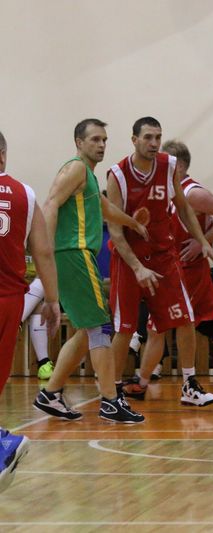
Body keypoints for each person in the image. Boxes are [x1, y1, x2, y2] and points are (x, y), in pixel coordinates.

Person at [123, 140, 213, 400]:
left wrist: (202, 241)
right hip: (176, 267)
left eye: (164, 162)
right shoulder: (169, 192)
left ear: (179, 166)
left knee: (157, 326)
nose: (158, 167)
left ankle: (146, 383)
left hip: (189, 270)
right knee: (205, 324)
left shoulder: (193, 193)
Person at [33, 119, 148, 423]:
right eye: (95, 139)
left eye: (104, 140)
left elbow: (104, 208)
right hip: (74, 254)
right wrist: (46, 250)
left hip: (73, 256)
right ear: (79, 142)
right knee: (100, 327)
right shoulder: (75, 169)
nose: (101, 145)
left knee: (87, 330)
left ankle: (51, 393)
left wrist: (133, 223)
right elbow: (50, 204)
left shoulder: (88, 177)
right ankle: (110, 400)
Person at [106, 117, 213, 407]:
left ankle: (189, 385)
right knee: (125, 328)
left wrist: (203, 241)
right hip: (129, 260)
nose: (154, 143)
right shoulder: (118, 175)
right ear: (134, 140)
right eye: (148, 137)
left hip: (162, 257)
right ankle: (113, 393)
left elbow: (183, 208)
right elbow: (115, 231)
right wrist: (137, 268)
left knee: (185, 319)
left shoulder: (168, 165)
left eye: (158, 137)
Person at [0, 130, 60, 492]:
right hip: (9, 300)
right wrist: (52, 299)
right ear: (3, 156)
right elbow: (44, 252)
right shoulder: (25, 194)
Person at [19, 275, 56, 380]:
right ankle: (43, 363)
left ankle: (16, 320)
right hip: (15, 287)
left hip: (41, 291)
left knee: (44, 278)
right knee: (38, 299)